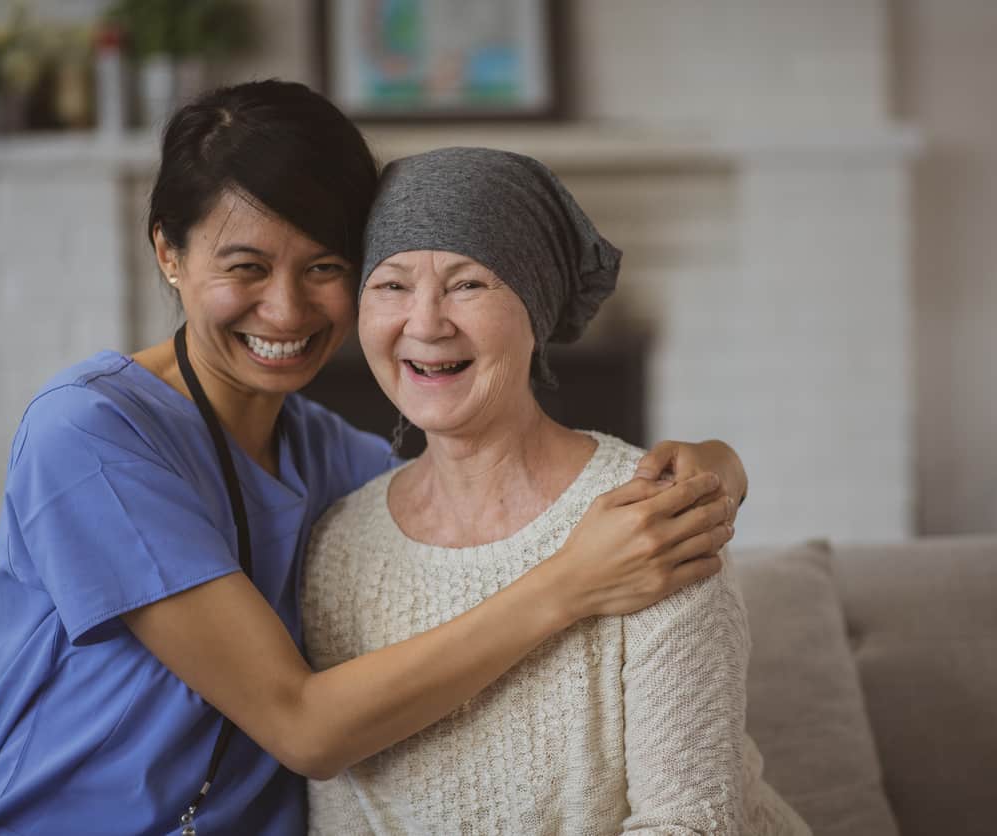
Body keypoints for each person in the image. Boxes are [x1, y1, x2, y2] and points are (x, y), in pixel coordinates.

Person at [0, 81, 750, 836]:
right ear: (169, 252)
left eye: (325, 267)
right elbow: (303, 727)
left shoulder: (329, 457)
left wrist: (714, 467)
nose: (288, 309)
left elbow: (476, 503)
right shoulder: (90, 433)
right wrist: (573, 583)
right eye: (246, 267)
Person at [302, 147, 809, 835]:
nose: (424, 323)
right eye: (391, 285)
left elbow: (688, 824)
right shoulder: (338, 547)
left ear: (536, 310)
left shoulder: (649, 516)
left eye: (469, 284)